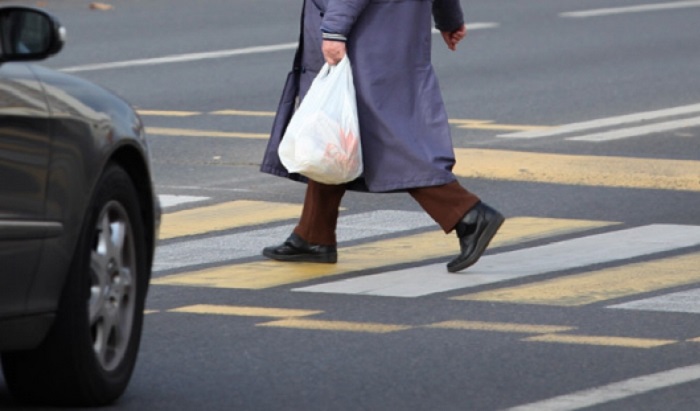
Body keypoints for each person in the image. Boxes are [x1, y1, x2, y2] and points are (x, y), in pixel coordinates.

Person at [260, 0, 504, 273]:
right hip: (394, 34)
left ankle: (467, 214)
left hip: (366, 34)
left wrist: (334, 30)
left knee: (386, 140)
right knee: (336, 138)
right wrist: (449, 17)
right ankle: (313, 235)